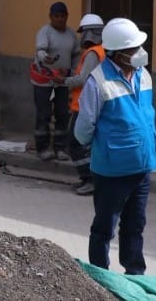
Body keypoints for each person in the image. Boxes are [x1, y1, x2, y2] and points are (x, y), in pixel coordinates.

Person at [74, 17, 156, 275]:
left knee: (135, 225)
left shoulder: (144, 76)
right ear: (117, 53)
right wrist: (98, 147)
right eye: (133, 50)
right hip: (112, 171)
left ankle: (134, 275)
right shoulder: (98, 82)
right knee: (104, 227)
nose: (139, 54)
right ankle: (100, 277)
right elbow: (84, 126)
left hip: (141, 166)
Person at [58, 13, 105, 195]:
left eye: (83, 33)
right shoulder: (104, 50)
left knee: (75, 144)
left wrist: (63, 81)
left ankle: (89, 179)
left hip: (83, 105)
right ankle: (91, 179)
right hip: (95, 103)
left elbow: (83, 78)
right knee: (88, 146)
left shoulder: (93, 53)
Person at [32, 1, 79, 161]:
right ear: (51, 17)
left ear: (67, 17)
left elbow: (76, 55)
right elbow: (40, 51)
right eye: (56, 16)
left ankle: (60, 148)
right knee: (43, 114)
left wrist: (71, 72)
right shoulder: (45, 32)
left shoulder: (71, 35)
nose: (60, 19)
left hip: (62, 82)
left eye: (63, 16)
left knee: (62, 114)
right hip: (44, 81)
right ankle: (43, 148)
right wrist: (47, 59)